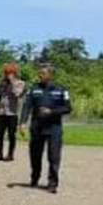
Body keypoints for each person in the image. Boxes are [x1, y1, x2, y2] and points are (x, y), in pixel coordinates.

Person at [20, 64, 71, 193]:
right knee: (35, 155)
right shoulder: (34, 89)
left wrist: (51, 112)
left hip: (54, 128)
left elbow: (67, 108)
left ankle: (52, 183)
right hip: (37, 127)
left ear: (50, 75)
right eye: (40, 73)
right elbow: (27, 106)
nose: (40, 75)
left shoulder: (61, 90)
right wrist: (23, 122)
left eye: (43, 73)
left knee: (53, 156)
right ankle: (34, 178)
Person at [0, 62, 26, 161]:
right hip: (2, 112)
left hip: (12, 113)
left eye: (9, 73)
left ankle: (10, 154)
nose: (7, 75)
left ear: (14, 73)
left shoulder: (20, 83)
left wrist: (12, 82)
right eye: (6, 73)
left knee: (11, 134)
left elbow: (18, 94)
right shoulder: (1, 83)